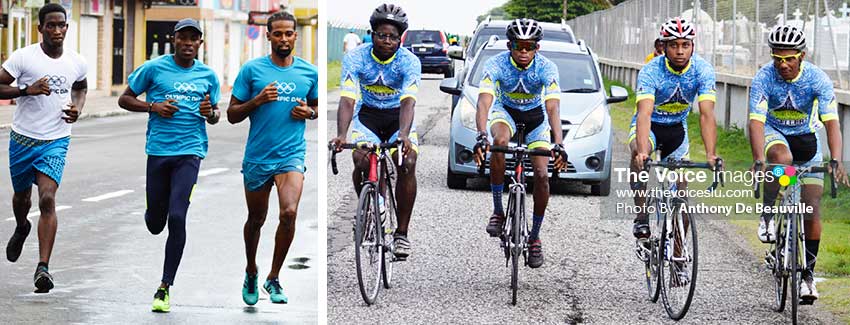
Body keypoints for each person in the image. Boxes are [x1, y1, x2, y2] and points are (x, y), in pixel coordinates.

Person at [117, 18, 221, 313]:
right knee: (155, 224)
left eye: (194, 39)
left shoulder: (208, 76)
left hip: (190, 153)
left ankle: (164, 287)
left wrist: (210, 112)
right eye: (183, 38)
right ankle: (153, 211)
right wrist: (153, 107)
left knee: (177, 217)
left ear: (200, 43)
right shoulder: (154, 69)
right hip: (159, 153)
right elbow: (124, 99)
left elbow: (215, 116)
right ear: (174, 40)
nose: (188, 43)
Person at [748, 25, 849, 303]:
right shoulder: (763, 78)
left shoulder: (817, 79)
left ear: (801, 56)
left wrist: (836, 159)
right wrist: (759, 159)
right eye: (778, 58)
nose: (783, 65)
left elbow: (832, 123)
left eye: (789, 58)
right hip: (773, 133)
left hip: (806, 139)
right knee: (783, 161)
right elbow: (755, 122)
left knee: (812, 208)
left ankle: (808, 277)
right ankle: (768, 215)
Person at [227, 11, 318, 306]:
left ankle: (274, 277)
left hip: (291, 154)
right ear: (268, 36)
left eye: (288, 33)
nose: (283, 39)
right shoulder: (252, 71)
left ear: (295, 36)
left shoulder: (309, 72)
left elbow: (314, 105)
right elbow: (231, 115)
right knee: (256, 219)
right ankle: (251, 270)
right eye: (277, 34)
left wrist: (310, 113)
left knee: (289, 213)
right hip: (258, 157)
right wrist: (257, 101)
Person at [0, 3, 87, 294]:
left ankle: (43, 268)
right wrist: (26, 90)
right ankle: (22, 225)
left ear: (67, 27)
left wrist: (78, 108)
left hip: (56, 140)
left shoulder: (76, 61)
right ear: (41, 29)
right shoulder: (23, 57)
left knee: (47, 198)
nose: (57, 30)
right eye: (51, 25)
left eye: (61, 25)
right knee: (22, 198)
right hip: (23, 139)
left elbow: (81, 87)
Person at [472, 18, 567, 269]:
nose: (523, 52)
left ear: (538, 47)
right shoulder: (495, 64)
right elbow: (484, 101)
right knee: (499, 141)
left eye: (529, 46)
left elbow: (553, 107)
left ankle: (534, 237)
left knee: (541, 175)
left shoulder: (548, 67)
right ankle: (497, 210)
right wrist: (482, 134)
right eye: (518, 46)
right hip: (506, 114)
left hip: (536, 121)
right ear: (509, 46)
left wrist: (558, 143)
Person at [330, 3, 420, 259]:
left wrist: (403, 134)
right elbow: (348, 99)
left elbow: (408, 102)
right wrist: (342, 135)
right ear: (372, 34)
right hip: (367, 116)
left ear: (400, 37)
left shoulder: (409, 62)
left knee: (407, 161)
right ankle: (371, 205)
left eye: (393, 36)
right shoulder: (355, 57)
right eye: (381, 35)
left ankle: (401, 234)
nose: (387, 41)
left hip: (398, 118)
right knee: (360, 158)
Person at [630, 17, 719, 239]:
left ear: (692, 47)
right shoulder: (651, 71)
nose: (680, 51)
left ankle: (678, 262)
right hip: (650, 127)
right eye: (674, 45)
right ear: (664, 47)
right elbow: (644, 113)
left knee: (681, 197)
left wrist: (710, 154)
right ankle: (641, 215)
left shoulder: (703, 70)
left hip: (676, 130)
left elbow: (707, 115)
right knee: (639, 156)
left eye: (685, 45)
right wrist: (642, 151)